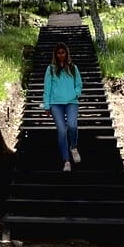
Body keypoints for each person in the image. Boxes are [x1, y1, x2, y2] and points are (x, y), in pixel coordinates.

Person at [43, 41, 83, 172]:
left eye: (63, 52)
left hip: (71, 102)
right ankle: (66, 161)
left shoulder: (73, 68)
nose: (61, 55)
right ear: (55, 54)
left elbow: (79, 84)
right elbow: (47, 88)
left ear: (66, 53)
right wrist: (47, 105)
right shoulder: (51, 69)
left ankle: (73, 147)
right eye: (58, 53)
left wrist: (75, 93)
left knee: (72, 125)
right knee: (61, 131)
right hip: (56, 103)